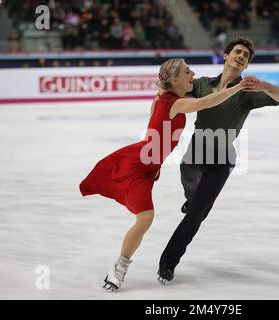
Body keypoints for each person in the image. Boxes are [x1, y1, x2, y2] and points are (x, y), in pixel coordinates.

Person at [79, 58, 253, 292]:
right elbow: (207, 102)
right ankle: (119, 268)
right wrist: (237, 88)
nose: (193, 73)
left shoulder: (164, 98)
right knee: (145, 217)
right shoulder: (175, 103)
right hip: (138, 166)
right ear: (174, 79)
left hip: (148, 165)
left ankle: (121, 265)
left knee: (145, 216)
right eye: (187, 71)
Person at [157, 37, 279, 283]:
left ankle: (168, 263)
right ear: (225, 56)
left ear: (246, 66)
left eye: (245, 56)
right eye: (237, 52)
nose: (241, 56)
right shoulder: (203, 84)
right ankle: (192, 200)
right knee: (192, 195)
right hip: (195, 152)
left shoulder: (248, 93)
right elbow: (174, 89)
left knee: (196, 214)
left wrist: (264, 86)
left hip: (221, 160)